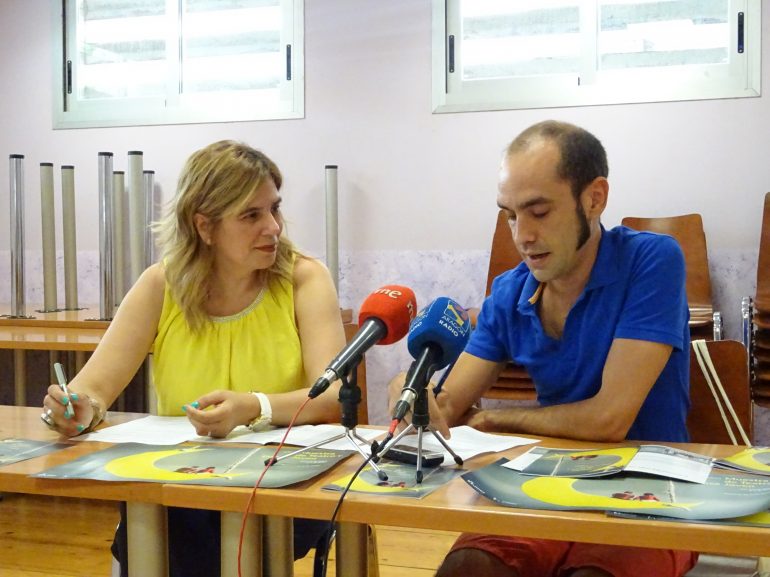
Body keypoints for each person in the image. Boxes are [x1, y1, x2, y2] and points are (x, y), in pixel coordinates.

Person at [389, 120, 696, 577]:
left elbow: (609, 419)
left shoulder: (652, 260)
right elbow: (450, 404)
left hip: (650, 486)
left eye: (539, 211)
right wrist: (415, 394)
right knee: (470, 568)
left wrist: (498, 417)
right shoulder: (509, 291)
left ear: (594, 198)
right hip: (547, 481)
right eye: (511, 214)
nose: (521, 235)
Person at [40, 140, 347, 576]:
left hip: (281, 481)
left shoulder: (304, 278)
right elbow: (93, 388)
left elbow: (335, 394)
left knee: (199, 529)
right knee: (160, 519)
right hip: (182, 481)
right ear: (204, 226)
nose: (274, 227)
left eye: (274, 209)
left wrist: (253, 407)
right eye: (251, 215)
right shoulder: (160, 285)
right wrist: (75, 409)